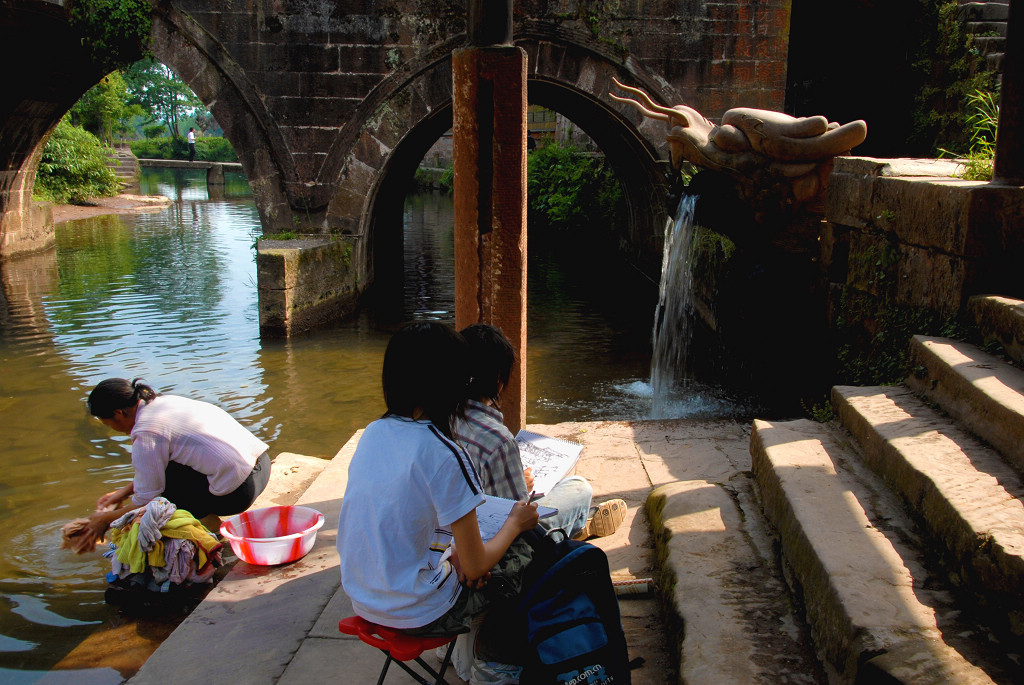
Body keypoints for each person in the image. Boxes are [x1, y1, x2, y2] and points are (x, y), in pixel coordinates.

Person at [337, 322, 539, 642]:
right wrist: (515, 523)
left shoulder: (373, 433)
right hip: (419, 612)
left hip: (364, 600)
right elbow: (474, 569)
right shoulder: (445, 453)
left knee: (464, 554)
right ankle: (493, 660)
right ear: (452, 385)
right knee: (520, 558)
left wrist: (455, 553)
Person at [455, 323, 626, 541]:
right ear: (499, 378)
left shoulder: (435, 420)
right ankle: (573, 527)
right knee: (578, 488)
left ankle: (575, 525)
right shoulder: (497, 441)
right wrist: (522, 489)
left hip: (451, 538)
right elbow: (520, 522)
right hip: (493, 547)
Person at [79, 378, 270, 552]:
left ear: (118, 413)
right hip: (262, 465)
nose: (114, 430)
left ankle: (212, 529)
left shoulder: (146, 431)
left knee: (162, 498)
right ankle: (208, 520)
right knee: (168, 473)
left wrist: (103, 520)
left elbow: (146, 499)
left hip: (239, 493)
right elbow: (154, 471)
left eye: (109, 424)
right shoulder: (163, 402)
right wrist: (123, 492)